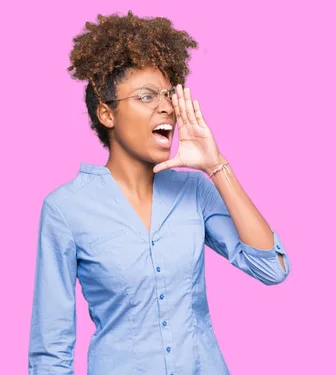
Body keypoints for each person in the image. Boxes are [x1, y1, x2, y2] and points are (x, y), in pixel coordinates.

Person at [27, 11, 290, 375]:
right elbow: (50, 354)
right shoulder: (66, 209)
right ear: (107, 113)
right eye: (147, 96)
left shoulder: (195, 191)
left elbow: (271, 268)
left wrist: (216, 165)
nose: (166, 106)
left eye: (168, 94)